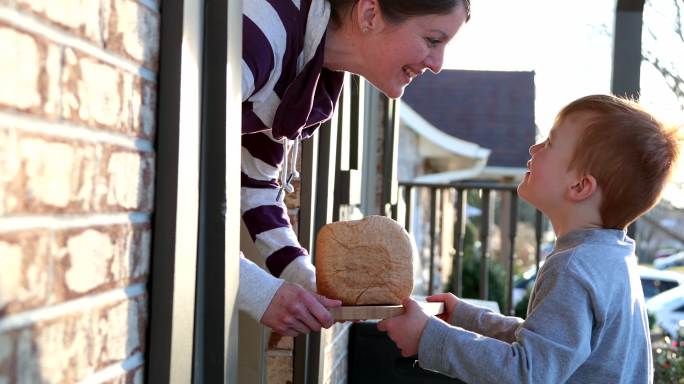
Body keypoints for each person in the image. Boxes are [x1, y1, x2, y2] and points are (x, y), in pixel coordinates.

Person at [378, 94, 681, 382]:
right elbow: (548, 344)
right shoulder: (612, 258)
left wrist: (427, 336)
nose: (534, 149)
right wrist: (466, 317)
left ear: (579, 187)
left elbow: (528, 372)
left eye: (550, 143)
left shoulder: (573, 268)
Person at [239, 0, 472, 336]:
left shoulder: (308, 72)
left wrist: (310, 282)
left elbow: (257, 187)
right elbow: (172, 169)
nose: (437, 64)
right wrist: (257, 292)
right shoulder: (265, 32)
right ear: (369, 14)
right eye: (433, 40)